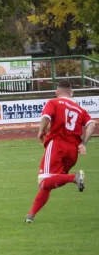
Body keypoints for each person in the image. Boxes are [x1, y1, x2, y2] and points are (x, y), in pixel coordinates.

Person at [25, 80, 96, 223]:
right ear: (72, 93)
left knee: (43, 181)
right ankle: (30, 215)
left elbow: (46, 117)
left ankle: (74, 178)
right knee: (51, 183)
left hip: (57, 145)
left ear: (57, 92)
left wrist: (40, 131)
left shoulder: (54, 102)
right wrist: (83, 143)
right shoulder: (79, 109)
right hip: (72, 151)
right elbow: (92, 124)